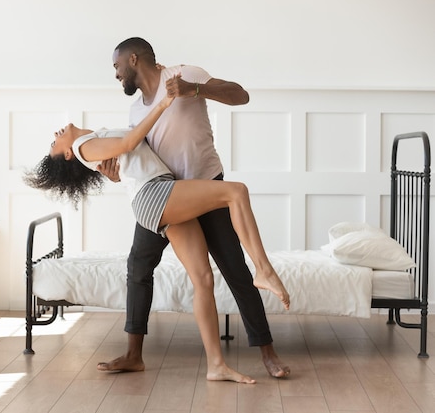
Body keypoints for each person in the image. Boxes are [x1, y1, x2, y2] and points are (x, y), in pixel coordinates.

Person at [25, 90, 289, 382]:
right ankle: (263, 270)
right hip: (156, 195)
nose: (56, 133)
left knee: (203, 278)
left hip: (161, 192)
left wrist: (117, 171)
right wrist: (164, 103)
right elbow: (129, 142)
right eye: (54, 142)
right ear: (67, 154)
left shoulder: (93, 140)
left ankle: (216, 365)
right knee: (235, 192)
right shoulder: (83, 144)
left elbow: (129, 155)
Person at [96, 37, 291, 378]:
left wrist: (194, 90)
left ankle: (268, 354)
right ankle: (133, 354)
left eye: (116, 66)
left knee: (236, 271)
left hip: (207, 186)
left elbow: (240, 94)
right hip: (166, 197)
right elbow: (139, 161)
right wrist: (115, 175)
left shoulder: (185, 73)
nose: (115, 75)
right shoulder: (136, 110)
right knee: (138, 268)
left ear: (133, 58)